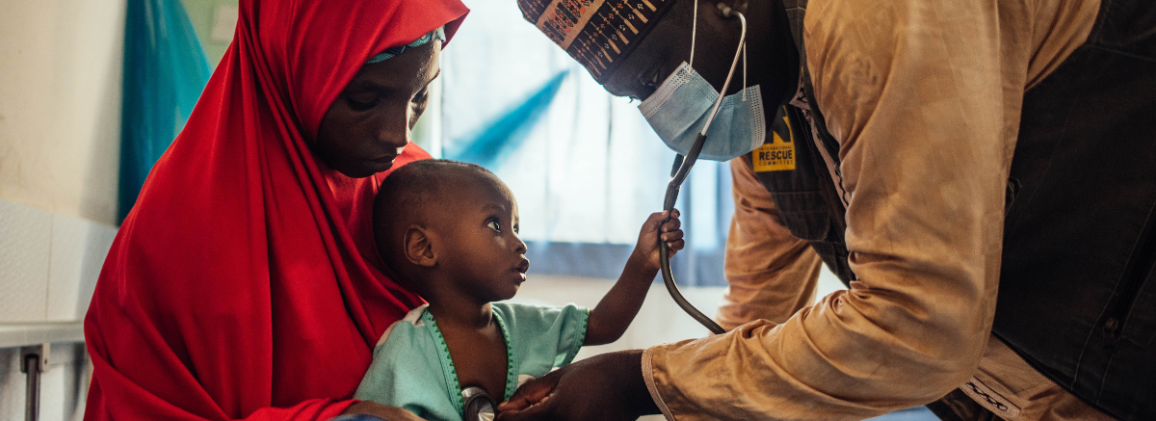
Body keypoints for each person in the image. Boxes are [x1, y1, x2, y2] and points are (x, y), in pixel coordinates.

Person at [499, 0, 1156, 420]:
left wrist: (639, 382)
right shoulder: (766, 112)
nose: (660, 107)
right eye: (635, 95)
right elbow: (753, 317)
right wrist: (677, 397)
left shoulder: (874, 15)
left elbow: (919, 326)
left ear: (720, 8)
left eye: (655, 75)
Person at [82, 0, 470, 419]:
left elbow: (468, 338)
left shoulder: (413, 194)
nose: (397, 132)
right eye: (364, 99)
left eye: (420, 94)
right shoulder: (178, 232)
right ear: (288, 65)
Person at [352, 159, 684, 420]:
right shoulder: (405, 352)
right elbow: (366, 415)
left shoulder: (523, 325)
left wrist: (643, 264)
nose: (520, 243)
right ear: (424, 248)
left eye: (516, 227)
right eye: (496, 225)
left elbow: (603, 324)